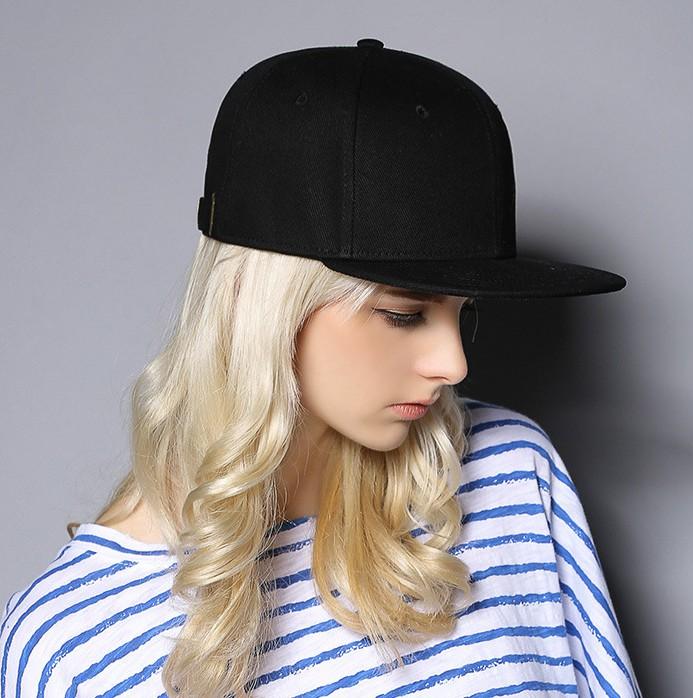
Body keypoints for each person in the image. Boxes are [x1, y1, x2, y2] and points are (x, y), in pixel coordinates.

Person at [0, 38, 642, 697]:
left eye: (465, 312)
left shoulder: (510, 473)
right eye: (403, 314)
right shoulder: (74, 646)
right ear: (267, 306)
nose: (454, 364)